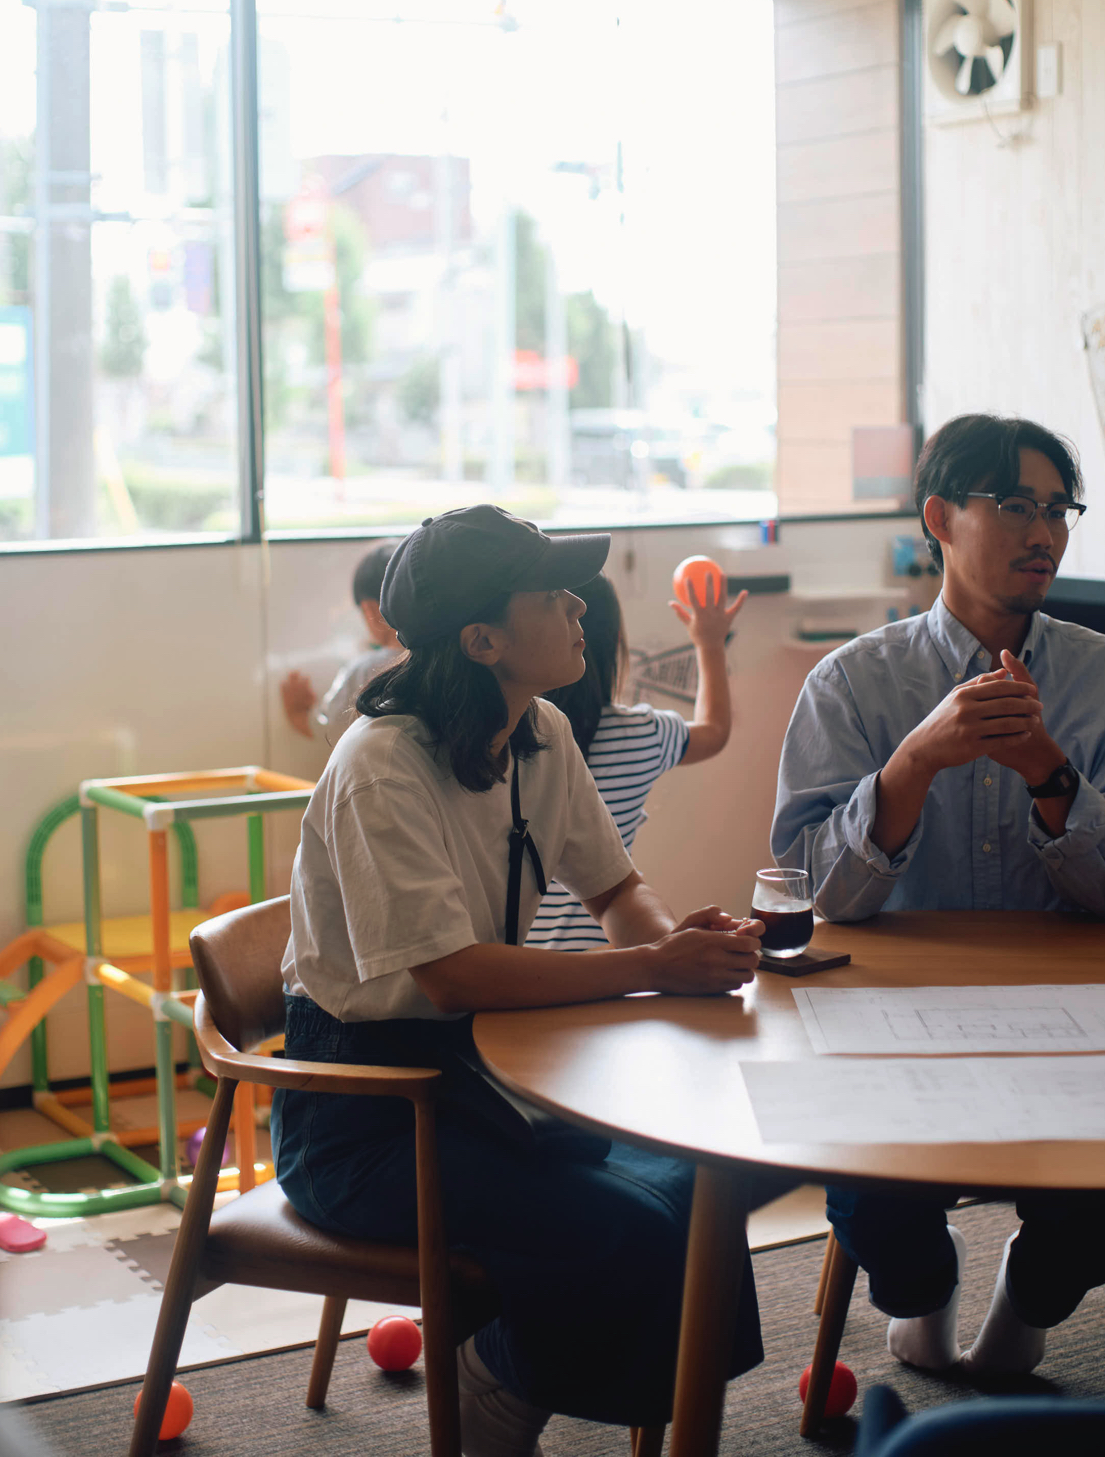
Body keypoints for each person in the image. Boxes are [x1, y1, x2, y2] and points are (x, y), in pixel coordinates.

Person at [275, 505, 767, 1455]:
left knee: (699, 1180)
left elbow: (617, 885)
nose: (581, 607)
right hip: (366, 1115)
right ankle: (494, 1386)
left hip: (481, 1079)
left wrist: (678, 955)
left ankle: (584, 1394)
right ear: (482, 638)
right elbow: (451, 976)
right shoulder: (382, 765)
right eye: (554, 596)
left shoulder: (536, 727)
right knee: (619, 1220)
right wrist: (649, 969)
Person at [771, 414, 1105, 1379]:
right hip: (894, 1018)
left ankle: (1026, 1305)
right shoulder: (852, 683)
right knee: (871, 1199)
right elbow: (808, 890)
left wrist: (1051, 772)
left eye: (1056, 508)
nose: (1043, 531)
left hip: (1080, 1017)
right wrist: (913, 762)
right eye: (1013, 505)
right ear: (938, 520)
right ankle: (921, 1297)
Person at [527, 569, 747, 949]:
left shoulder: (508, 736)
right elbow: (714, 731)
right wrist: (709, 644)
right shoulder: (640, 733)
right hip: (604, 968)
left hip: (524, 965)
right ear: (613, 643)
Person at [280, 540, 401, 746]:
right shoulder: (441, 659)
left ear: (370, 610)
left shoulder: (363, 670)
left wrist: (297, 714)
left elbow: (331, 733)